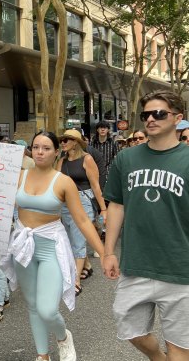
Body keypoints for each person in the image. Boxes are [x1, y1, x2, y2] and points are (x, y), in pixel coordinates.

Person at [1, 131, 105, 361]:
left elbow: (82, 220)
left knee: (48, 309)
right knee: (33, 306)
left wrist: (105, 253)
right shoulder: (18, 176)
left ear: (57, 152)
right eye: (36, 147)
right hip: (23, 248)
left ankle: (63, 337)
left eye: (46, 148)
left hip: (50, 250)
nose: (40, 152)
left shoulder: (63, 181)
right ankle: (42, 355)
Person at [102, 90, 189, 361]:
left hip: (180, 268)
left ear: (178, 118)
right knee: (131, 331)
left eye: (159, 113)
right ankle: (157, 358)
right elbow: (116, 205)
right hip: (136, 264)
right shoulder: (126, 159)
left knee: (180, 346)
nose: (150, 119)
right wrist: (108, 252)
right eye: (146, 115)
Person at [57, 129, 107, 296]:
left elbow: (95, 185)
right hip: (65, 203)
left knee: (78, 242)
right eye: (62, 140)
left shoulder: (87, 159)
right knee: (70, 240)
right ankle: (86, 265)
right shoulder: (61, 161)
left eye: (66, 140)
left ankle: (76, 280)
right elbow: (56, 183)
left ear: (76, 142)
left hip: (83, 202)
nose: (63, 142)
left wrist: (103, 208)